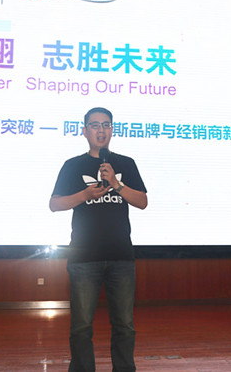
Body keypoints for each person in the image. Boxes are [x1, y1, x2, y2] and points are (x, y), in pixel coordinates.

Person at [50, 107, 148, 372]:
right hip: (84, 257)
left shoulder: (126, 163)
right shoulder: (72, 165)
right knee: (81, 326)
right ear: (85, 131)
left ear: (112, 130)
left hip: (120, 256)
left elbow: (142, 201)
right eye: (95, 125)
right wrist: (84, 195)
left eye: (106, 125)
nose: (101, 130)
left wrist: (116, 183)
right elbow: (54, 204)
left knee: (124, 325)